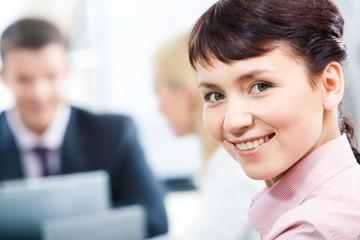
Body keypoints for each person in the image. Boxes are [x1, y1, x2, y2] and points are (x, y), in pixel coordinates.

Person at [188, 0, 360, 239]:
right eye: (215, 95)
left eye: (261, 86)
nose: (233, 121)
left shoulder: (313, 230)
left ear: (329, 85)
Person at [0, 18, 168, 238]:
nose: (39, 93)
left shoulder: (114, 133)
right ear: (4, 77)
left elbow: (155, 217)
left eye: (51, 76)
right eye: (24, 79)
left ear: (68, 71)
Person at [153, 33, 263, 240]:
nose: (159, 108)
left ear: (185, 96)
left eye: (159, 94)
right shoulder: (223, 162)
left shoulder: (234, 168)